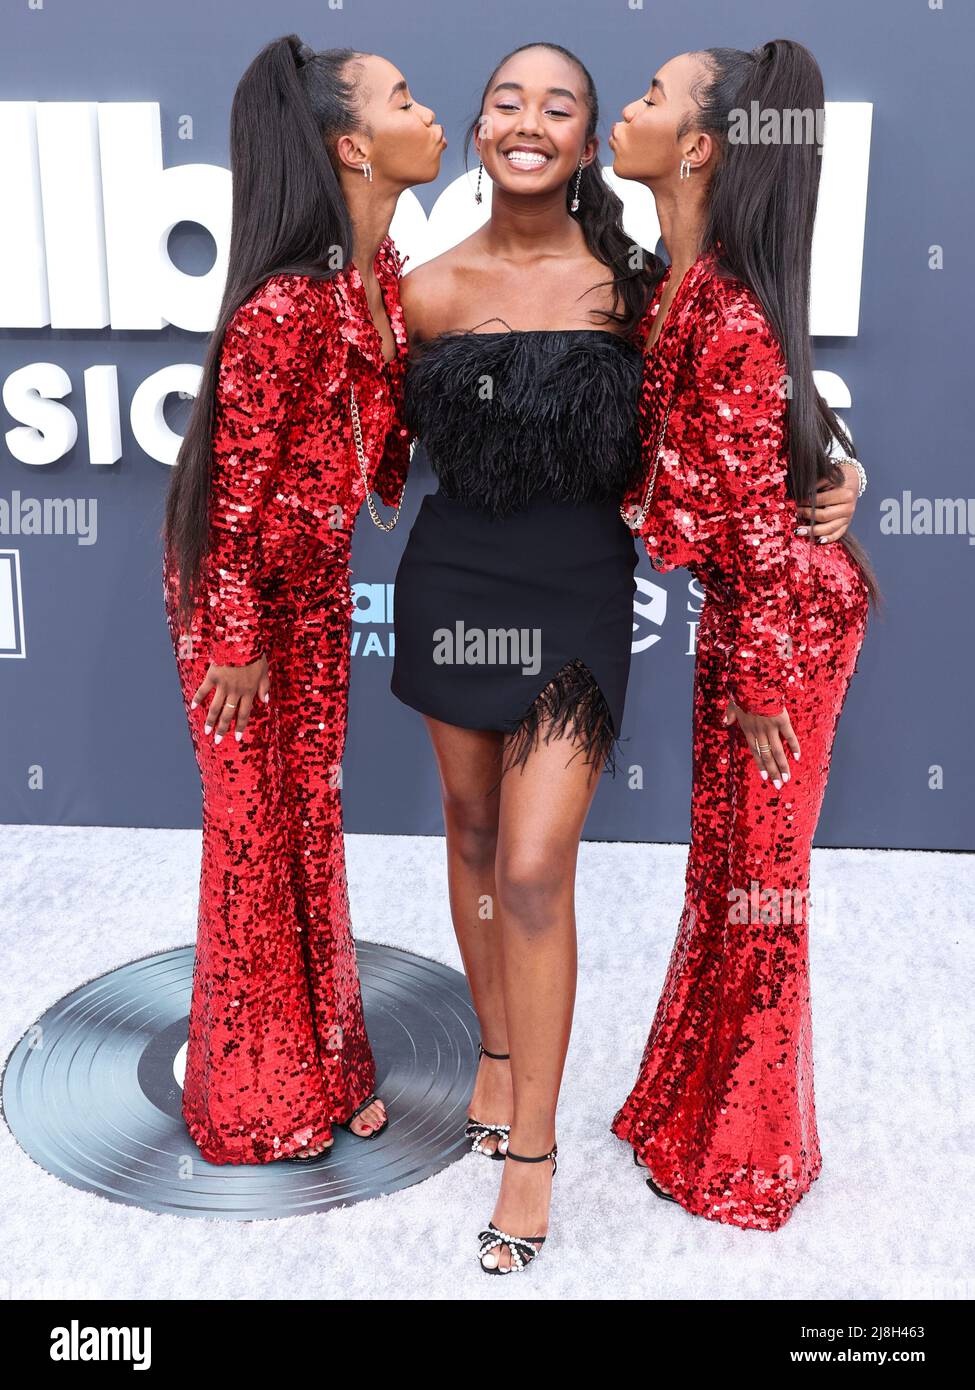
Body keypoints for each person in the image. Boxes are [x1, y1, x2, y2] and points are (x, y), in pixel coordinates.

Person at [390, 42, 659, 1272]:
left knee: (537, 861)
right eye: (509, 102)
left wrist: (846, 467)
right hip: (454, 580)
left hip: (579, 595)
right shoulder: (425, 287)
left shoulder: (632, 287)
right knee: (468, 823)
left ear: (591, 143)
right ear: (481, 129)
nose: (530, 120)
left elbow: (739, 407)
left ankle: (535, 1156)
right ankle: (496, 1046)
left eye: (560, 106)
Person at [608, 39, 877, 1229]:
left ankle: (753, 1156)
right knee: (724, 871)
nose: (629, 107)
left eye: (653, 96)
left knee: (761, 884)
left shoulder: (731, 309)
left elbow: (766, 526)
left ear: (702, 146)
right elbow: (763, 464)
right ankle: (691, 1105)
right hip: (752, 617)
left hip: (784, 632)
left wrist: (763, 676)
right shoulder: (684, 281)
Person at [161, 35, 444, 1163]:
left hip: (317, 600)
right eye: (405, 100)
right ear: (351, 145)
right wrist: (232, 638)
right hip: (235, 610)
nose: (431, 114)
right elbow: (226, 500)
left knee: (308, 829)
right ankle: (253, 1100)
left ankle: (327, 1065)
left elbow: (377, 463)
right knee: (249, 843)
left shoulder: (374, 283)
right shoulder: (285, 305)